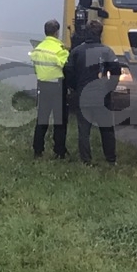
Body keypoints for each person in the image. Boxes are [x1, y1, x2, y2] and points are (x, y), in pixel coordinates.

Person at [65, 19, 122, 165]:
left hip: (83, 95)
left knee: (83, 130)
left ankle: (86, 160)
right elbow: (116, 71)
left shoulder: (77, 51)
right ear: (100, 33)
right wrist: (110, 88)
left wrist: (75, 88)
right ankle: (111, 159)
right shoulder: (107, 51)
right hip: (102, 96)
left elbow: (68, 72)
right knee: (107, 129)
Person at [28, 20, 70, 159]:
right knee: (60, 121)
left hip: (42, 85)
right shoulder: (59, 48)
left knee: (42, 120)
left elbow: (34, 62)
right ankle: (59, 151)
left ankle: (37, 150)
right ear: (57, 32)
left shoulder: (39, 48)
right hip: (57, 86)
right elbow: (65, 65)